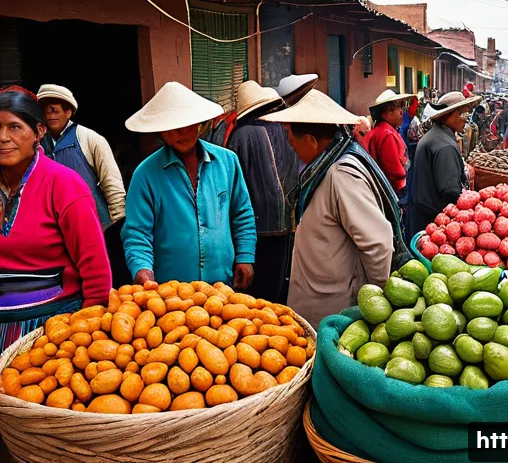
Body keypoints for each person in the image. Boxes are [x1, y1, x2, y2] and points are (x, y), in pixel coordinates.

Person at [261, 89, 407, 325]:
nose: (288, 142)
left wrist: (375, 307)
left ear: (311, 140)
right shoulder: (325, 165)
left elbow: (378, 243)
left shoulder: (340, 174)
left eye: (290, 134)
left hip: (336, 313)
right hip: (322, 300)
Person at [0, 90, 110, 351]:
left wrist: (86, 334)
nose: (3, 138)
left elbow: (96, 272)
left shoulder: (64, 185)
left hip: (52, 332)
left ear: (38, 132)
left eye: (15, 127)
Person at [121, 82, 256, 288]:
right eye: (171, 128)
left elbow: (242, 213)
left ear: (198, 124)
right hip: (171, 293)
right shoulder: (145, 174)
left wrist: (245, 256)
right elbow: (137, 232)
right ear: (161, 131)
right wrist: (142, 268)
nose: (180, 133)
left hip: (222, 286)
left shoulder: (228, 162)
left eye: (186, 124)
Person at [227, 81, 298, 303]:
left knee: (255, 292)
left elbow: (232, 186)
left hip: (254, 228)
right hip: (288, 222)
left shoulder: (240, 135)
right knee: (277, 284)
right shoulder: (285, 129)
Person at [37, 84, 126, 228]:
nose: (50, 116)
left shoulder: (89, 138)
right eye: (46, 111)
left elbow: (112, 184)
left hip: (95, 223)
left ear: (68, 112)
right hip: (53, 226)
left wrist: (118, 224)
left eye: (54, 110)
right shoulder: (36, 143)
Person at [410, 91, 480, 237]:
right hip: (433, 223)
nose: (466, 120)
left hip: (422, 216)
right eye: (464, 115)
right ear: (453, 114)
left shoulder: (436, 136)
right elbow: (450, 191)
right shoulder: (445, 146)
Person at [363, 90, 413, 198]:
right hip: (391, 192)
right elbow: (396, 172)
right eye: (397, 108)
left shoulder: (379, 131)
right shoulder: (387, 134)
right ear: (386, 114)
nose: (401, 112)